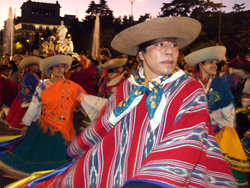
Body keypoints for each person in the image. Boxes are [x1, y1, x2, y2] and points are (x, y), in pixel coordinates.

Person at [8, 17, 236, 187]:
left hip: (164, 174)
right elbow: (106, 120)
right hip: (121, 161)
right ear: (141, 55)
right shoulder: (129, 85)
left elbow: (187, 140)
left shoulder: (189, 88)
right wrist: (79, 145)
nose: (170, 51)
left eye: (173, 45)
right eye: (160, 45)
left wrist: (150, 181)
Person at [0, 55, 107, 179]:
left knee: (66, 159)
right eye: (56, 67)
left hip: (67, 130)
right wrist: (26, 124)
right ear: (50, 70)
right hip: (45, 128)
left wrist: (111, 105)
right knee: (40, 157)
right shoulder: (42, 87)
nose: (60, 69)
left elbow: (88, 101)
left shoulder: (73, 87)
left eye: (62, 66)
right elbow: (35, 106)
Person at [184, 46, 250, 187]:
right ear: (201, 65)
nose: (215, 66)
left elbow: (229, 109)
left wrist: (213, 118)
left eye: (215, 62)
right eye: (210, 62)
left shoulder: (220, 83)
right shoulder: (191, 83)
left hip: (219, 132)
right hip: (195, 132)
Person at [4, 56, 41, 130]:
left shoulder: (33, 76)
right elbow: (26, 90)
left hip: (31, 98)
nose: (38, 67)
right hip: (26, 99)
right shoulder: (26, 77)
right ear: (31, 67)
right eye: (36, 66)